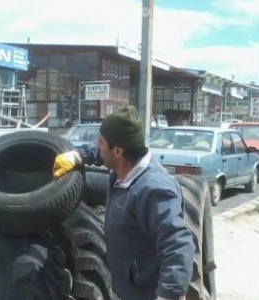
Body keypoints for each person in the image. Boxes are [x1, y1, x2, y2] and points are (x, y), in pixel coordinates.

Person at [53, 106, 195, 300]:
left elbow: (177, 243)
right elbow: (100, 151)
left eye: (101, 142)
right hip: (125, 288)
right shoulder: (125, 169)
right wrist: (79, 155)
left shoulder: (152, 190)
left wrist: (169, 295)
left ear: (118, 150)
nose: (97, 146)